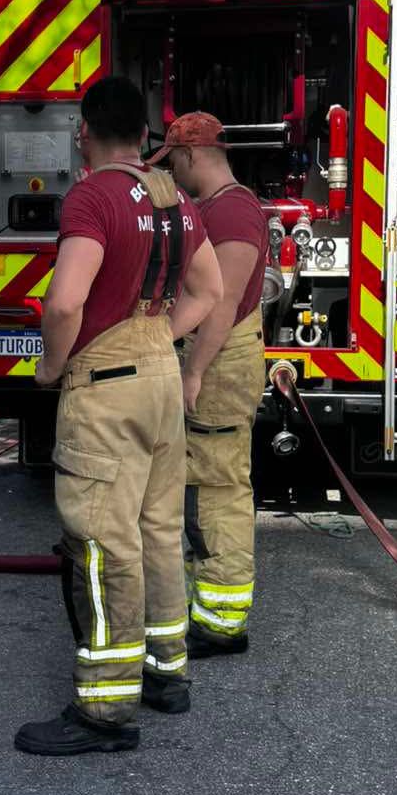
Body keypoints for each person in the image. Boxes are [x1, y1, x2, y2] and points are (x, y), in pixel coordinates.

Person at [15, 77, 224, 756]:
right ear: (144, 136)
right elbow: (211, 289)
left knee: (104, 541)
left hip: (105, 384)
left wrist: (49, 368)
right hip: (162, 378)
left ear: (85, 132)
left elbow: (66, 300)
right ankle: (169, 674)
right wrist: (164, 337)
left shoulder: (92, 196)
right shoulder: (172, 199)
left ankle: (104, 707)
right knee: (161, 529)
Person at [155, 113, 269, 656]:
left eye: (174, 162)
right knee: (200, 487)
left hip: (220, 364)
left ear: (193, 153)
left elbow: (221, 303)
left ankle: (222, 624)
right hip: (215, 359)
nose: (174, 174)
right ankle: (208, 608)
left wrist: (193, 370)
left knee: (216, 492)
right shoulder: (215, 207)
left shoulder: (234, 210)